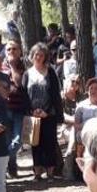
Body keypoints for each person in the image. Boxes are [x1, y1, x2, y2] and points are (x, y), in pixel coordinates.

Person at [23, 43, 63, 181]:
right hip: (33, 114)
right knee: (35, 144)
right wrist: (30, 111)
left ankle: (50, 173)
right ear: (32, 56)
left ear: (45, 56)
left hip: (48, 114)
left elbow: (55, 94)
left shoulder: (50, 72)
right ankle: (37, 173)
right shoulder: (27, 73)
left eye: (41, 55)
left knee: (50, 143)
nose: (38, 57)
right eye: (36, 54)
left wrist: (50, 112)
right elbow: (24, 95)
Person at [4, 46, 28, 178]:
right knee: (7, 140)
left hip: (19, 110)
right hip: (5, 109)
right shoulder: (0, 67)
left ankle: (2, 159)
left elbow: (21, 85)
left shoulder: (25, 69)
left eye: (14, 49)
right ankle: (12, 169)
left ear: (20, 51)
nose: (11, 51)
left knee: (17, 141)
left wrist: (13, 68)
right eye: (8, 49)